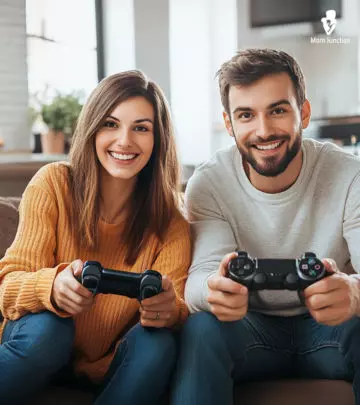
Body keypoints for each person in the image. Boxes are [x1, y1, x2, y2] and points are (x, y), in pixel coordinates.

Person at [171, 48, 360, 405]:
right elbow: (200, 278)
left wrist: (352, 292)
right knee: (202, 328)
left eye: (278, 110)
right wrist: (214, 289)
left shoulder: (350, 175)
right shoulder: (209, 183)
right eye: (246, 115)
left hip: (333, 329)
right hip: (249, 330)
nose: (263, 130)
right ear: (229, 124)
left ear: (303, 112)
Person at [0, 70, 191, 405]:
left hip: (110, 362)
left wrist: (169, 310)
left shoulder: (170, 219)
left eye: (141, 128)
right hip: (37, 345)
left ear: (157, 139)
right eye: (110, 124)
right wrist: (52, 287)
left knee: (159, 342)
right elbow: (7, 284)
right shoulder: (53, 184)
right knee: (51, 329)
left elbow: (179, 308)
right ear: (92, 128)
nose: (124, 141)